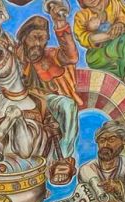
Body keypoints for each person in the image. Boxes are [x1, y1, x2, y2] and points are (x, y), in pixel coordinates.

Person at [16, 8, 81, 183]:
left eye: (43, 38)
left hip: (46, 101)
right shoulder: (11, 56)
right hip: (15, 101)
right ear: (24, 38)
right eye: (35, 37)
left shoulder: (50, 55)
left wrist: (60, 25)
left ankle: (63, 159)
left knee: (67, 105)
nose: (40, 43)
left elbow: (71, 56)